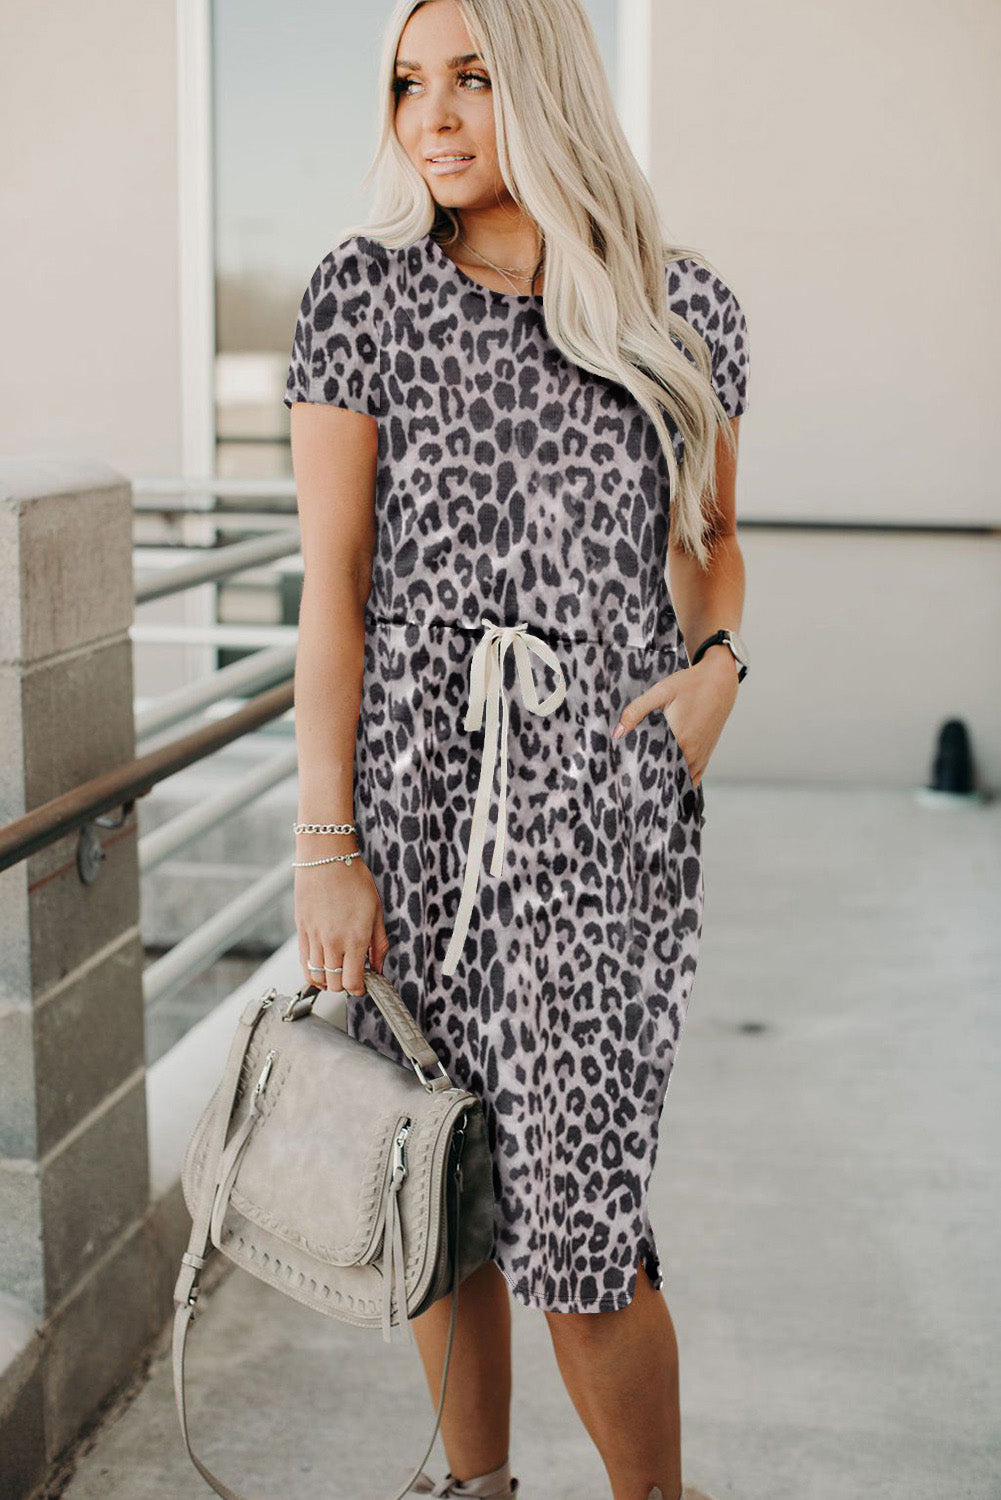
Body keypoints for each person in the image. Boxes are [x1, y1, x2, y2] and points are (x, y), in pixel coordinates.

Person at [284, 2, 750, 1496]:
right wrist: (326, 845)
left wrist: (718, 665)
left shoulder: (684, 307)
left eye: (472, 79)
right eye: (409, 84)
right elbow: (333, 591)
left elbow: (712, 539)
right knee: (437, 1185)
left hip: (601, 812)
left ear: (543, 84)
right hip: (414, 799)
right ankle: (471, 1487)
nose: (432, 115)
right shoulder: (361, 296)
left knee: (581, 1230)